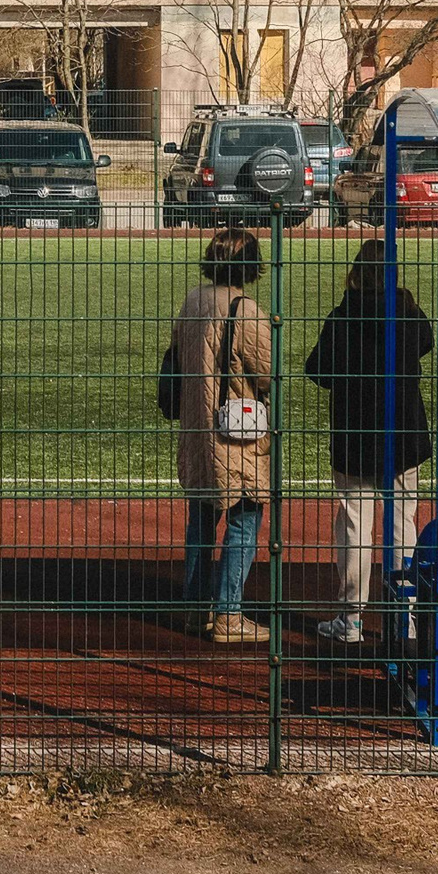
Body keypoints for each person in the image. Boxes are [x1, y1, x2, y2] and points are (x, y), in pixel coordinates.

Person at [302, 240, 434, 644]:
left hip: (356, 433)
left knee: (355, 525)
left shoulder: (344, 316)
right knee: (401, 523)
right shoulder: (409, 313)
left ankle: (352, 619)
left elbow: (317, 370)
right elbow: (426, 345)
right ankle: (403, 617)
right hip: (403, 432)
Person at [172, 225, 275, 643]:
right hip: (237, 433)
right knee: (245, 518)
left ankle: (197, 609)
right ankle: (230, 615)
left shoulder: (194, 299)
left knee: (201, 520)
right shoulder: (245, 309)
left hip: (196, 425)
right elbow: (267, 371)